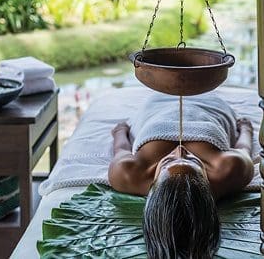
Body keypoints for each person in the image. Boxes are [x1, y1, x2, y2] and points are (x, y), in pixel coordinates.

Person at [108, 93, 255, 259]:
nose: (179, 152)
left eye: (167, 163)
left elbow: (121, 149)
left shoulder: (127, 174)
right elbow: (244, 147)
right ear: (206, 182)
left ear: (154, 185)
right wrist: (245, 128)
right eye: (193, 161)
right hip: (207, 99)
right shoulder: (230, 169)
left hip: (158, 100)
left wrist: (120, 131)